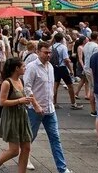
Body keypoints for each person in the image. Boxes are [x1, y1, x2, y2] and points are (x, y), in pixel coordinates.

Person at [23, 42, 73, 173]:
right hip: (35, 110)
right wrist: (36, 105)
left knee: (55, 138)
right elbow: (27, 88)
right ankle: (25, 158)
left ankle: (62, 169)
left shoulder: (50, 66)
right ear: (38, 52)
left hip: (50, 109)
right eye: (46, 52)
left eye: (50, 52)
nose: (48, 55)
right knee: (30, 137)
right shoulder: (32, 67)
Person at [0, 57, 35, 173]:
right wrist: (20, 101)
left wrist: (27, 101)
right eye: (23, 66)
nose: (25, 68)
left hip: (22, 116)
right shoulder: (7, 83)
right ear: (16, 69)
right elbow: (2, 102)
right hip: (11, 117)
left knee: (26, 148)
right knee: (14, 151)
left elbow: (22, 97)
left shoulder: (21, 81)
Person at [51, 33, 82, 110]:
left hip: (54, 67)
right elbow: (66, 60)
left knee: (55, 86)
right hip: (62, 67)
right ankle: (73, 103)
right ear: (62, 39)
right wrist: (71, 70)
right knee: (70, 86)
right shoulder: (63, 47)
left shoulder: (52, 47)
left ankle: (54, 103)